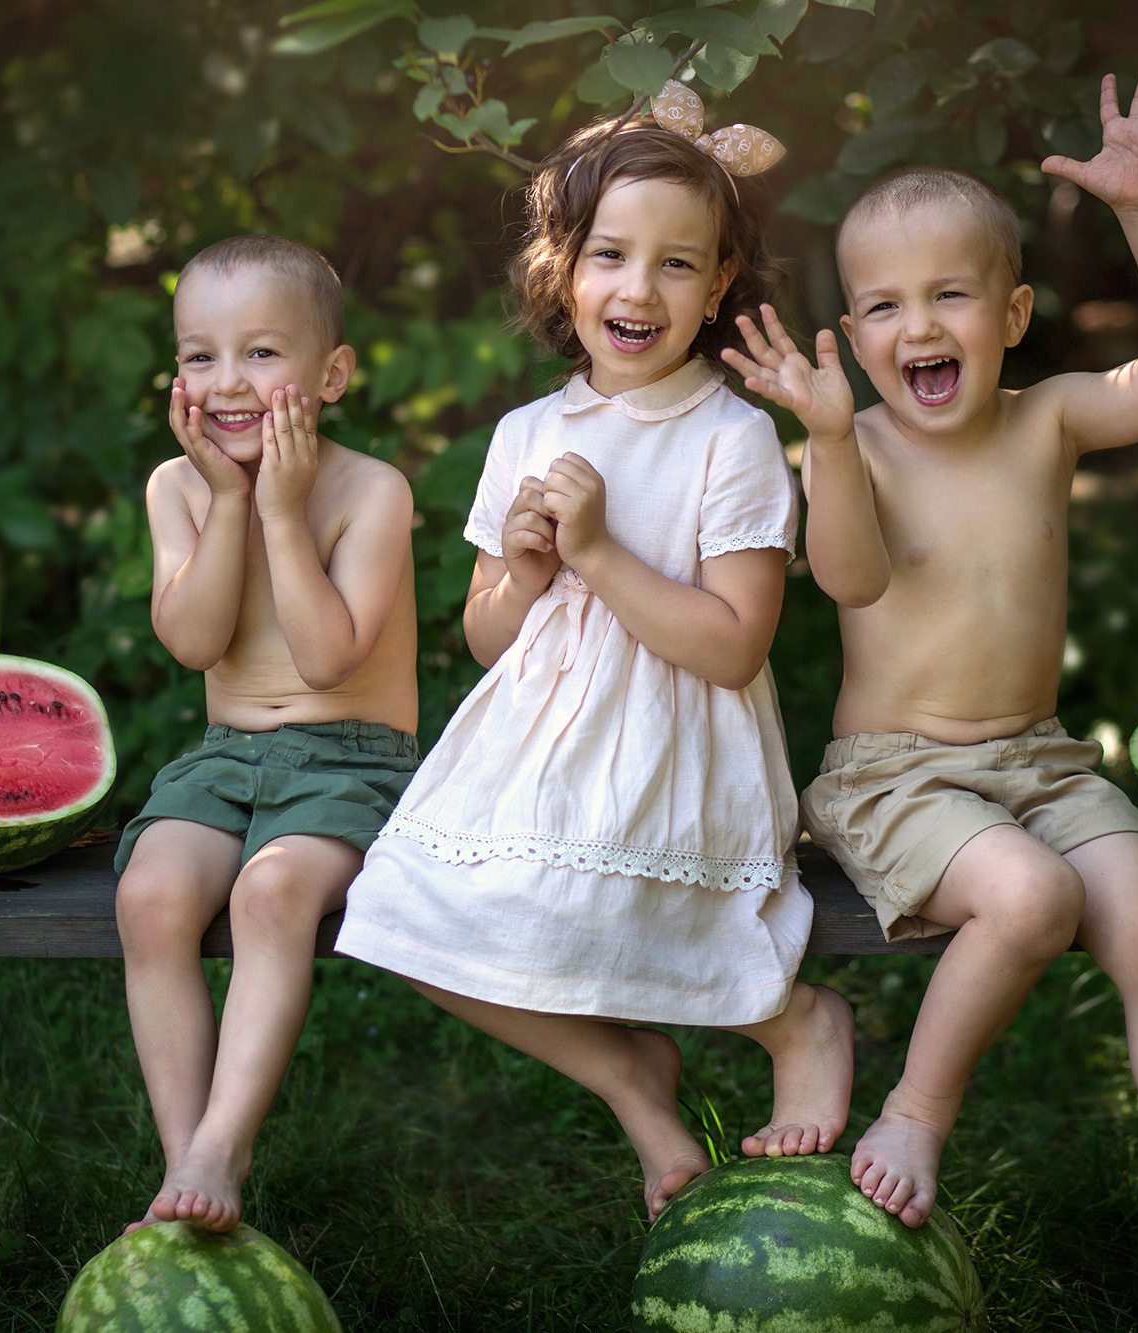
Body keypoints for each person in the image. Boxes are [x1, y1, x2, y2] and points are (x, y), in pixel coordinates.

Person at [723, 67, 1138, 1295]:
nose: (915, 325)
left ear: (1012, 313)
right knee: (1033, 898)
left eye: (948, 294)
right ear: (849, 336)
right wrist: (828, 441)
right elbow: (851, 582)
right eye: (881, 305)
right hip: (894, 774)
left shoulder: (1047, 420)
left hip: (1038, 757)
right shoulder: (855, 441)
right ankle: (915, 1113)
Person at [333, 88, 855, 1220]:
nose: (638, 288)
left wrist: (600, 551)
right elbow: (481, 637)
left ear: (718, 285)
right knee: (396, 914)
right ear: (561, 269)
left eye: (677, 264)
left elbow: (730, 648)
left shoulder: (733, 436)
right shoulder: (526, 434)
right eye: (610, 254)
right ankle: (629, 1075)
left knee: (621, 901)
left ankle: (792, 1018)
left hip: (678, 752)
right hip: (532, 750)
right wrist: (522, 574)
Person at [112, 234, 420, 1234]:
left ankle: (225, 1144)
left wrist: (282, 512)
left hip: (350, 758)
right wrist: (234, 502)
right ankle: (182, 1157)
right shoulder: (177, 488)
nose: (226, 382)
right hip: (224, 759)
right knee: (152, 895)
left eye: (260, 353)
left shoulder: (370, 490)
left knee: (273, 888)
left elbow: (328, 657)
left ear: (330, 375)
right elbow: (193, 639)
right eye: (199, 356)